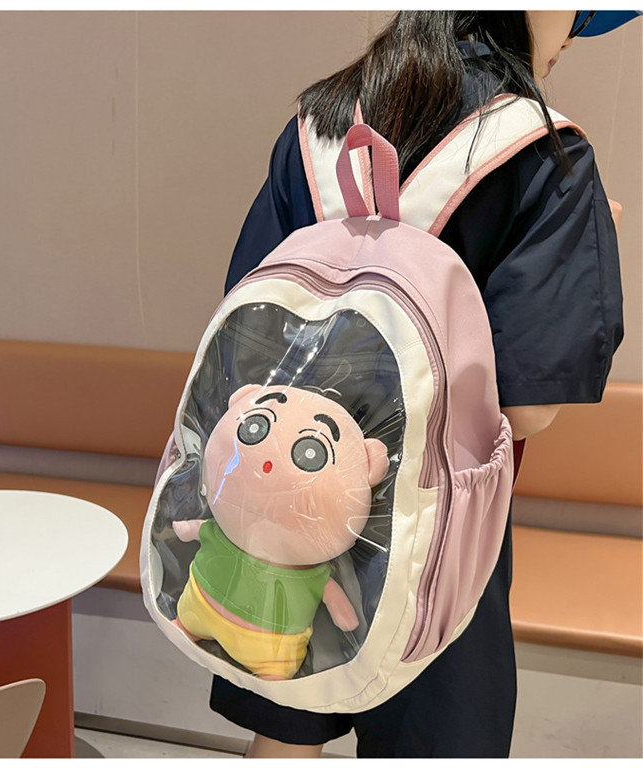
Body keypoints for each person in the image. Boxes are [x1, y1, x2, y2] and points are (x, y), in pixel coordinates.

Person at [210, 11, 633, 758]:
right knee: (432, 738)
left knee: (284, 728)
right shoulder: (544, 153)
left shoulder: (318, 124)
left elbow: (248, 323)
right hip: (439, 520)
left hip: (285, 492)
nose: (574, 34)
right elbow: (527, 408)